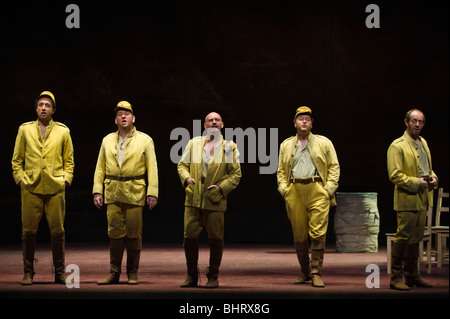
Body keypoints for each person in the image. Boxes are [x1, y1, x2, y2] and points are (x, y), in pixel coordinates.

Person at [12, 91, 75, 285]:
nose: (44, 108)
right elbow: (17, 160)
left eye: (47, 105)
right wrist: (21, 180)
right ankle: (28, 271)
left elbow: (69, 161)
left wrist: (66, 180)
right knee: (28, 231)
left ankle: (59, 272)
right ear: (36, 108)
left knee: (58, 231)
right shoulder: (25, 130)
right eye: (41, 105)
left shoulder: (63, 131)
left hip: (55, 187)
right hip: (31, 187)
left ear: (53, 109)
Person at [93, 101, 158, 285]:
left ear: (133, 118)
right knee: (114, 233)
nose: (123, 116)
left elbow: (152, 168)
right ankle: (114, 272)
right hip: (112, 191)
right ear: (115, 120)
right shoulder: (107, 140)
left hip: (135, 192)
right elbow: (100, 168)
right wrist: (97, 191)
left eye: (127, 114)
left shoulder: (145, 140)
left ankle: (132, 272)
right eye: (120, 114)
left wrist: (152, 192)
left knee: (134, 234)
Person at [277, 106, 340, 287]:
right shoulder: (286, 144)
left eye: (307, 119)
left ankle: (316, 272)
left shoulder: (324, 142)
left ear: (312, 123)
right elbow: (281, 170)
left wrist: (328, 189)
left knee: (318, 232)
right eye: (300, 118)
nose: (304, 121)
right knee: (299, 234)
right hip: (294, 190)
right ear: (294, 123)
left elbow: (334, 166)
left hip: (317, 189)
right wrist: (284, 189)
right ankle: (304, 271)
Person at [177, 112, 241, 288]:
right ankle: (191, 275)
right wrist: (187, 179)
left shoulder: (229, 147)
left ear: (221, 125)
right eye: (210, 120)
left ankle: (213, 275)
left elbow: (235, 174)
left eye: (217, 120)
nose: (214, 122)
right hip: (193, 198)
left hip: (214, 199)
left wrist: (221, 188)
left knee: (215, 238)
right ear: (204, 126)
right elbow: (182, 165)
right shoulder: (193, 143)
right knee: (189, 238)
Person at [387, 108, 438, 290]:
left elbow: (427, 168)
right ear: (406, 122)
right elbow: (395, 175)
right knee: (403, 237)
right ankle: (395, 277)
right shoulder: (397, 145)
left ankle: (412, 276)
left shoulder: (423, 142)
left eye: (421, 121)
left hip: (423, 198)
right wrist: (417, 183)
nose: (417, 124)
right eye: (414, 121)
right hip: (407, 198)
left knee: (415, 238)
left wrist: (433, 178)